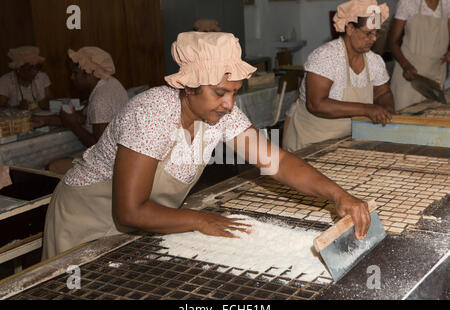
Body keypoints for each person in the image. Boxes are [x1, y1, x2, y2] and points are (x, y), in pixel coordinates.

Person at [42, 32, 372, 260]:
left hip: (141, 223)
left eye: (233, 92)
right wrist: (199, 220)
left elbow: (276, 161)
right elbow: (129, 211)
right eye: (220, 92)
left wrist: (338, 194)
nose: (230, 103)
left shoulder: (220, 113)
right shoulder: (152, 114)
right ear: (188, 86)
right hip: (85, 219)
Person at [283, 0, 395, 152]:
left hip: (345, 142)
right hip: (310, 141)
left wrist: (387, 110)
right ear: (350, 28)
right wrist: (367, 109)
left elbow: (383, 92)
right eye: (368, 33)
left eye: (377, 33)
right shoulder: (326, 57)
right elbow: (316, 104)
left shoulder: (374, 61)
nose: (374, 39)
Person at [32, 47, 129, 173]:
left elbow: (99, 147)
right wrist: (47, 120)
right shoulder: (110, 82)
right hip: (120, 156)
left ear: (88, 73)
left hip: (108, 166)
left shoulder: (100, 99)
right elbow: (86, 118)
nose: (72, 77)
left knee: (51, 166)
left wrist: (73, 125)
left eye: (75, 73)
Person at [389, 0, 450, 111]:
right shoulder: (408, 3)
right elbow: (393, 42)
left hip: (436, 76)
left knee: (431, 123)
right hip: (410, 75)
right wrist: (405, 65)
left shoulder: (447, 4)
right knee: (404, 121)